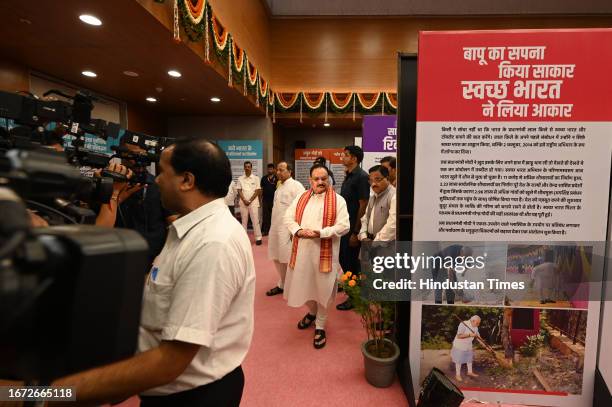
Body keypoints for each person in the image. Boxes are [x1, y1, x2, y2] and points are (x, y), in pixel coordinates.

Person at [51, 137, 256, 407]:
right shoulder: (190, 229)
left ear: (187, 180)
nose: (156, 180)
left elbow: (170, 362)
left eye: (162, 172)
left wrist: (38, 395)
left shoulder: (212, 243)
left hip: (193, 397)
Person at [283, 164, 350, 349]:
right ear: (310, 180)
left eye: (324, 178)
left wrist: (320, 233)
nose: (320, 182)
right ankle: (312, 312)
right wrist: (298, 230)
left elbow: (344, 226)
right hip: (302, 253)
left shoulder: (338, 200)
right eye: (316, 179)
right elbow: (288, 218)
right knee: (303, 285)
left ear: (329, 178)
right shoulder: (301, 197)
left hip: (325, 255)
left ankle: (320, 326)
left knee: (324, 290)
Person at [114, 139, 175, 264]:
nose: (136, 160)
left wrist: (166, 256)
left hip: (152, 259)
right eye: (132, 155)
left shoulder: (158, 185)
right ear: (121, 154)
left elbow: (172, 222)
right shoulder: (111, 185)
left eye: (141, 155)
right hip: (118, 255)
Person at [337, 145, 370, 311]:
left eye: (346, 155)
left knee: (349, 260)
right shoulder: (349, 175)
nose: (343, 157)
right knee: (344, 259)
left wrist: (356, 232)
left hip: (352, 227)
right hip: (344, 225)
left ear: (354, 159)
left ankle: (354, 296)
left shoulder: (362, 177)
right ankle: (352, 288)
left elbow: (363, 205)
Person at [266, 161, 305, 296]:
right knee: (276, 256)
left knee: (288, 257)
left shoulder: (297, 186)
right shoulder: (279, 187)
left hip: (287, 229)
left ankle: (294, 285)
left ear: (290, 171)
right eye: (278, 170)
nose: (278, 172)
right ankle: (282, 283)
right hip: (275, 227)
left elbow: (301, 209)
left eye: (282, 170)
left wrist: (294, 230)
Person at [358, 165, 396, 243]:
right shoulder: (373, 196)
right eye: (371, 180)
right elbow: (365, 219)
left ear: (387, 179)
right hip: (368, 242)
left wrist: (376, 242)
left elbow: (392, 226)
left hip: (384, 245)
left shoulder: (394, 196)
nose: (373, 184)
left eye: (377, 179)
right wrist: (363, 236)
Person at [237, 161, 263, 245]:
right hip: (243, 203)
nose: (247, 168)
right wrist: (244, 200)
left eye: (249, 167)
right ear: (244, 168)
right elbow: (239, 190)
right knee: (244, 221)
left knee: (255, 221)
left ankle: (258, 238)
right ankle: (243, 239)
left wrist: (250, 200)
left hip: (253, 203)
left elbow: (258, 190)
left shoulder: (256, 178)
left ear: (251, 168)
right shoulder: (240, 178)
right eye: (246, 167)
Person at [451, 315, 481, 382]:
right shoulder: (463, 324)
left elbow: (478, 337)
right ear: (473, 321)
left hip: (468, 345)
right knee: (459, 360)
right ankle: (457, 375)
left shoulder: (476, 327)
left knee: (469, 359)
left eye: (479, 323)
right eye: (477, 323)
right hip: (460, 345)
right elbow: (459, 336)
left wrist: (484, 345)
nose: (478, 325)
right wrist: (469, 335)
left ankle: (469, 372)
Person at [260, 163, 277, 236]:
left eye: (271, 169)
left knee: (274, 216)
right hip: (265, 200)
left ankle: (273, 231)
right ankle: (265, 231)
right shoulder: (264, 178)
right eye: (268, 169)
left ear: (274, 169)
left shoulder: (277, 178)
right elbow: (261, 189)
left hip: (274, 200)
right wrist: (260, 199)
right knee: (265, 216)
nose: (270, 170)